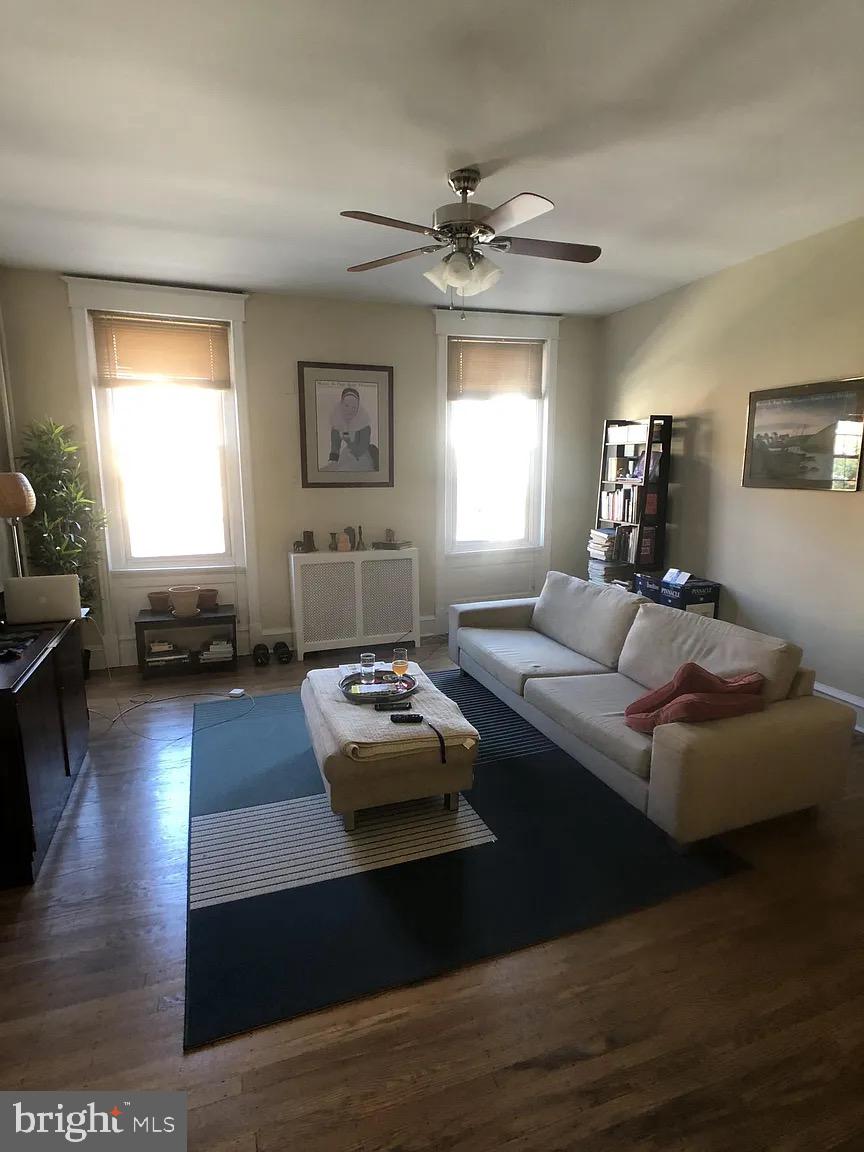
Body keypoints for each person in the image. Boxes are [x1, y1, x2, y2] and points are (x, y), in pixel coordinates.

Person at [326, 387, 378, 471]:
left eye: (354, 407)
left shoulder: (364, 425)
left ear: (358, 408)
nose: (349, 410)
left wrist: (349, 440)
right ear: (341, 405)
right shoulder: (337, 422)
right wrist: (333, 461)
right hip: (347, 455)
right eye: (346, 405)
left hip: (362, 457)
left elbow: (361, 450)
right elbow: (335, 446)